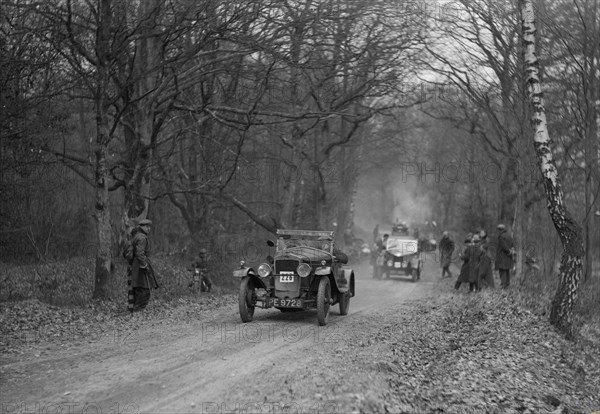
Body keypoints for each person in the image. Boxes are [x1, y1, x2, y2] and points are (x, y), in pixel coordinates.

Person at [130, 218, 159, 311]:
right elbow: (139, 253)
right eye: (146, 226)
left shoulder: (136, 235)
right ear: (141, 227)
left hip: (135, 264)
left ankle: (135, 307)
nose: (149, 228)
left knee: (138, 286)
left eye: (149, 226)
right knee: (146, 287)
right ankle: (138, 308)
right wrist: (144, 265)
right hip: (140, 264)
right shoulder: (142, 237)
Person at [495, 224, 515, 288]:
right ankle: (507, 283)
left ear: (501, 229)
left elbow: (504, 246)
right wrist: (511, 252)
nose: (498, 231)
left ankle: (503, 285)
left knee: (502, 270)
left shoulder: (501, 237)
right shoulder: (509, 236)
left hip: (502, 256)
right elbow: (512, 245)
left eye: (498, 229)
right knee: (507, 270)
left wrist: (508, 251)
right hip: (508, 256)